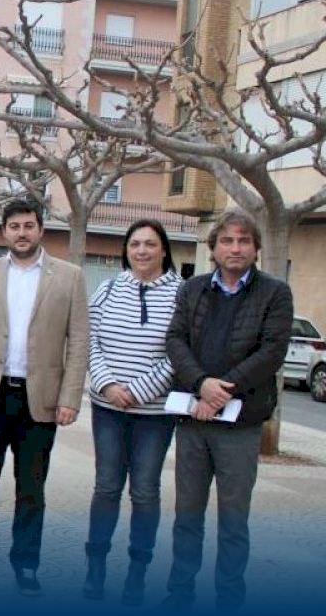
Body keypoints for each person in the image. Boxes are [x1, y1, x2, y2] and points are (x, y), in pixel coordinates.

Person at [0, 199, 89, 596]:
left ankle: (26, 564)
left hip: (40, 399)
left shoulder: (70, 277)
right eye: (14, 226)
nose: (22, 233)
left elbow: (79, 341)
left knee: (31, 489)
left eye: (28, 225)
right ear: (4, 232)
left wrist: (70, 397)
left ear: (40, 229)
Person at [161, 209, 293, 612]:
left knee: (234, 521)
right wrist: (201, 384)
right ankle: (179, 595)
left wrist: (220, 392)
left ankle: (229, 601)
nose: (235, 248)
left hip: (241, 425)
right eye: (227, 241)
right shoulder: (192, 289)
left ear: (255, 248)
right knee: (187, 517)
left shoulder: (275, 293)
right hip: (193, 420)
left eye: (243, 241)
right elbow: (175, 341)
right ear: (214, 248)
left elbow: (272, 352)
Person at [83, 219, 182, 605]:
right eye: (135, 244)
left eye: (150, 244)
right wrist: (108, 385)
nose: (141, 251)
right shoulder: (108, 289)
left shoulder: (182, 294)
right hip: (107, 408)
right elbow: (90, 340)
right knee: (106, 487)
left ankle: (136, 574)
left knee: (144, 492)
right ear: (126, 249)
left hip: (154, 415)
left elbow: (181, 351)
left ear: (164, 249)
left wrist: (140, 391)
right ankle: (95, 568)